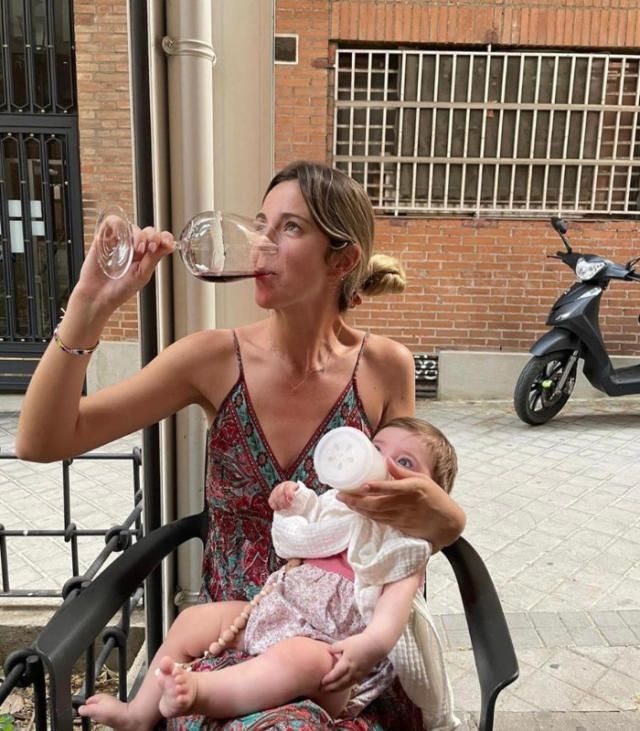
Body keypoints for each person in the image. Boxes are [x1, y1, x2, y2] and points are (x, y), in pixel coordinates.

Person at [16, 160, 466, 729]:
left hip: (338, 654)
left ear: (342, 260)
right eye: (260, 225)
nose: (260, 244)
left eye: (290, 228)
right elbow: (42, 440)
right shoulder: (211, 358)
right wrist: (90, 305)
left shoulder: (384, 366)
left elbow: (398, 524)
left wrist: (449, 520)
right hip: (228, 645)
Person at [76, 417, 459, 730]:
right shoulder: (335, 507)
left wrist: (369, 646)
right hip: (276, 615)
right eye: (376, 449)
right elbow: (299, 529)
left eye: (405, 462)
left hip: (334, 656)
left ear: (430, 496)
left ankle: (199, 692)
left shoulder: (404, 547)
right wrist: (290, 501)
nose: (383, 464)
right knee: (194, 621)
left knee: (296, 658)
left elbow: (392, 615)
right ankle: (138, 715)